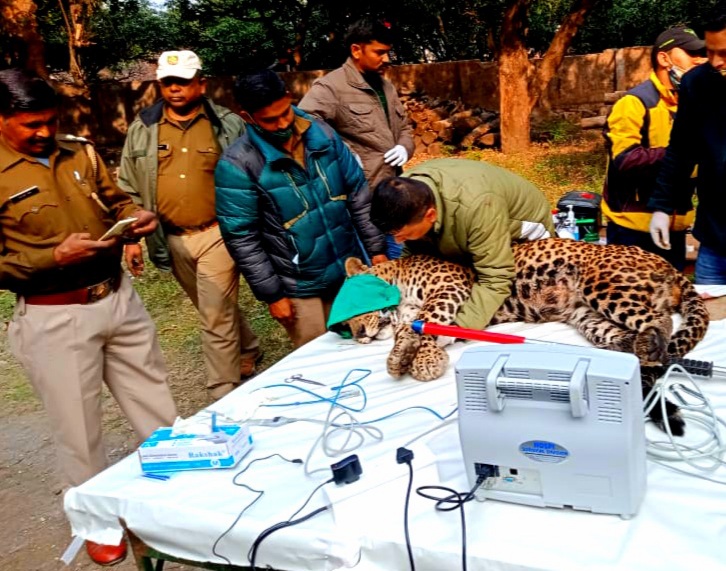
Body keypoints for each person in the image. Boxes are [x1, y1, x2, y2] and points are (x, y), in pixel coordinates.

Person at [0, 68, 177, 566]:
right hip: (53, 316)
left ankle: (184, 500)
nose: (42, 133)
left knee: (157, 406)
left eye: (49, 122)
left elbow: (114, 198)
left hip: (118, 300)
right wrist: (50, 258)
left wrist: (135, 214)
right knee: (78, 429)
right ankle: (97, 524)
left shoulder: (79, 150)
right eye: (30, 124)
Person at [118, 50, 260, 400]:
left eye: (182, 82)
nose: (174, 89)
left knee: (214, 314)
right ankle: (249, 346)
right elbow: (127, 186)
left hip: (219, 232)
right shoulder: (142, 129)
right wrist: (130, 239)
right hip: (171, 238)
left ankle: (223, 391)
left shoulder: (227, 124)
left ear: (201, 84)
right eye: (168, 83)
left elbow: (252, 173)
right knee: (211, 305)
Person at [215, 70, 387, 348]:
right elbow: (242, 238)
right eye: (270, 120)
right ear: (246, 117)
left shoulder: (323, 134)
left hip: (348, 270)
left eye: (285, 112)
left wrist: (376, 249)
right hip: (299, 286)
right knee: (318, 358)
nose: (283, 124)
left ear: (288, 97)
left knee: (364, 345)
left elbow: (357, 192)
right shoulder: (237, 165)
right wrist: (273, 295)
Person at [370, 158, 555, 330]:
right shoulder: (402, 193)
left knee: (516, 294)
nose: (397, 242)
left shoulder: (477, 207)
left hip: (525, 230)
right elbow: (415, 255)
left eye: (402, 235)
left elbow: (496, 277)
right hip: (470, 217)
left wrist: (457, 327)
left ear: (430, 215)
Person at [299, 18, 414, 259]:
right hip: (360, 197)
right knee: (374, 265)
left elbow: (404, 127)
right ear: (356, 50)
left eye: (388, 53)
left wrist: (404, 146)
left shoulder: (386, 87)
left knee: (401, 262)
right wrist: (343, 153)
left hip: (392, 192)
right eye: (379, 52)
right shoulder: (331, 87)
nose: (386, 59)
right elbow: (303, 123)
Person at [602, 25, 706, 270]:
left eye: (701, 53)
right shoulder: (635, 103)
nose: (699, 60)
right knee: (630, 301)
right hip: (632, 227)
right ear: (664, 58)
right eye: (691, 53)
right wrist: (680, 154)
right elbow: (624, 160)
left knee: (671, 302)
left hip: (676, 224)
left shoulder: (691, 103)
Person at [649, 11, 726, 284]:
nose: (715, 62)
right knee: (709, 322)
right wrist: (661, 205)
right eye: (711, 51)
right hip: (716, 241)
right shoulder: (699, 83)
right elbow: (681, 150)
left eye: (725, 53)